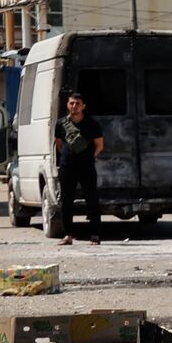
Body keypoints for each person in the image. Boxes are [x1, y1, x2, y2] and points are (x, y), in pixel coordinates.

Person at [53, 92, 105, 246]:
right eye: (71, 103)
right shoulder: (61, 123)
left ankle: (95, 234)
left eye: (77, 104)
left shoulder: (92, 124)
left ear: (83, 106)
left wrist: (89, 157)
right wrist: (68, 157)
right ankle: (68, 234)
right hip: (67, 167)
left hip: (87, 166)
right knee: (66, 201)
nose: (74, 106)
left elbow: (99, 146)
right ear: (67, 105)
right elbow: (59, 144)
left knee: (92, 199)